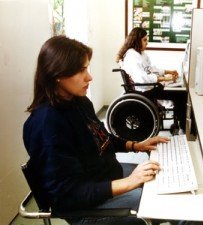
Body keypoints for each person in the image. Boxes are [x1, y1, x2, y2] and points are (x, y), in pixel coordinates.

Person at [23, 35, 171, 225]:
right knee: (164, 201)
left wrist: (136, 145)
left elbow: (100, 137)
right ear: (57, 74)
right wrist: (129, 182)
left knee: (163, 180)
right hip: (85, 209)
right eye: (81, 70)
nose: (89, 77)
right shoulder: (47, 125)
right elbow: (68, 194)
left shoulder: (79, 102)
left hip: (104, 176)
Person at [116, 27, 188, 131]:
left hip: (150, 87)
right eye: (145, 40)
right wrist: (165, 79)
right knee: (181, 94)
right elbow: (142, 78)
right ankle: (183, 126)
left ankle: (179, 123)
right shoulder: (132, 56)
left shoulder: (140, 53)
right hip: (146, 90)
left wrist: (168, 72)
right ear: (136, 40)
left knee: (178, 90)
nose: (147, 43)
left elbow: (151, 69)